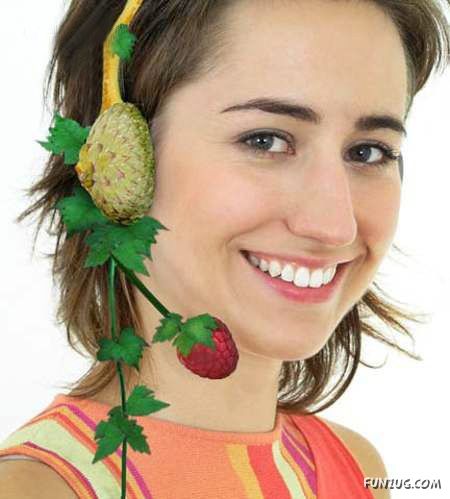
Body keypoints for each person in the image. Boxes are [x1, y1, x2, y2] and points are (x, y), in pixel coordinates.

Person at [1, 0, 449, 498]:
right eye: (266, 141)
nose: (333, 226)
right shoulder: (37, 490)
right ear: (115, 162)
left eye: (369, 152)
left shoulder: (355, 468)